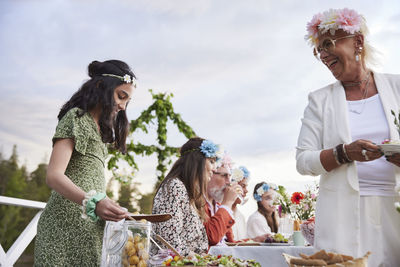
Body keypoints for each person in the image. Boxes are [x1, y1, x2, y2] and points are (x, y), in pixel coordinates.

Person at [297, 8, 400, 266]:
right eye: (318, 49)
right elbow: (303, 160)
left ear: (358, 42)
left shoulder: (397, 88)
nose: (323, 54)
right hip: (341, 218)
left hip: (393, 212)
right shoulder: (319, 100)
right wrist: (342, 153)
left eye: (329, 44)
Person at [34, 60, 136, 266]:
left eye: (127, 101)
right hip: (63, 232)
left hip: (89, 232)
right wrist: (94, 203)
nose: (123, 106)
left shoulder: (101, 134)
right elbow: (54, 176)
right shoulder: (76, 118)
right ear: (100, 86)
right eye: (120, 96)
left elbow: (91, 181)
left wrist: (109, 206)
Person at [152, 137, 218, 255]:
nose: (215, 168)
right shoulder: (175, 187)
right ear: (197, 161)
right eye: (211, 162)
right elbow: (170, 241)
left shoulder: (189, 192)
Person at [204, 154, 242, 245]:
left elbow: (230, 243)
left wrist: (256, 240)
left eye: (229, 176)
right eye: (224, 175)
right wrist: (228, 202)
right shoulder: (198, 203)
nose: (229, 182)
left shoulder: (218, 205)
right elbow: (212, 238)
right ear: (210, 173)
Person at [231, 166, 250, 240]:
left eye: (246, 187)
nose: (246, 191)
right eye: (242, 186)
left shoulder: (241, 217)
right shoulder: (220, 212)